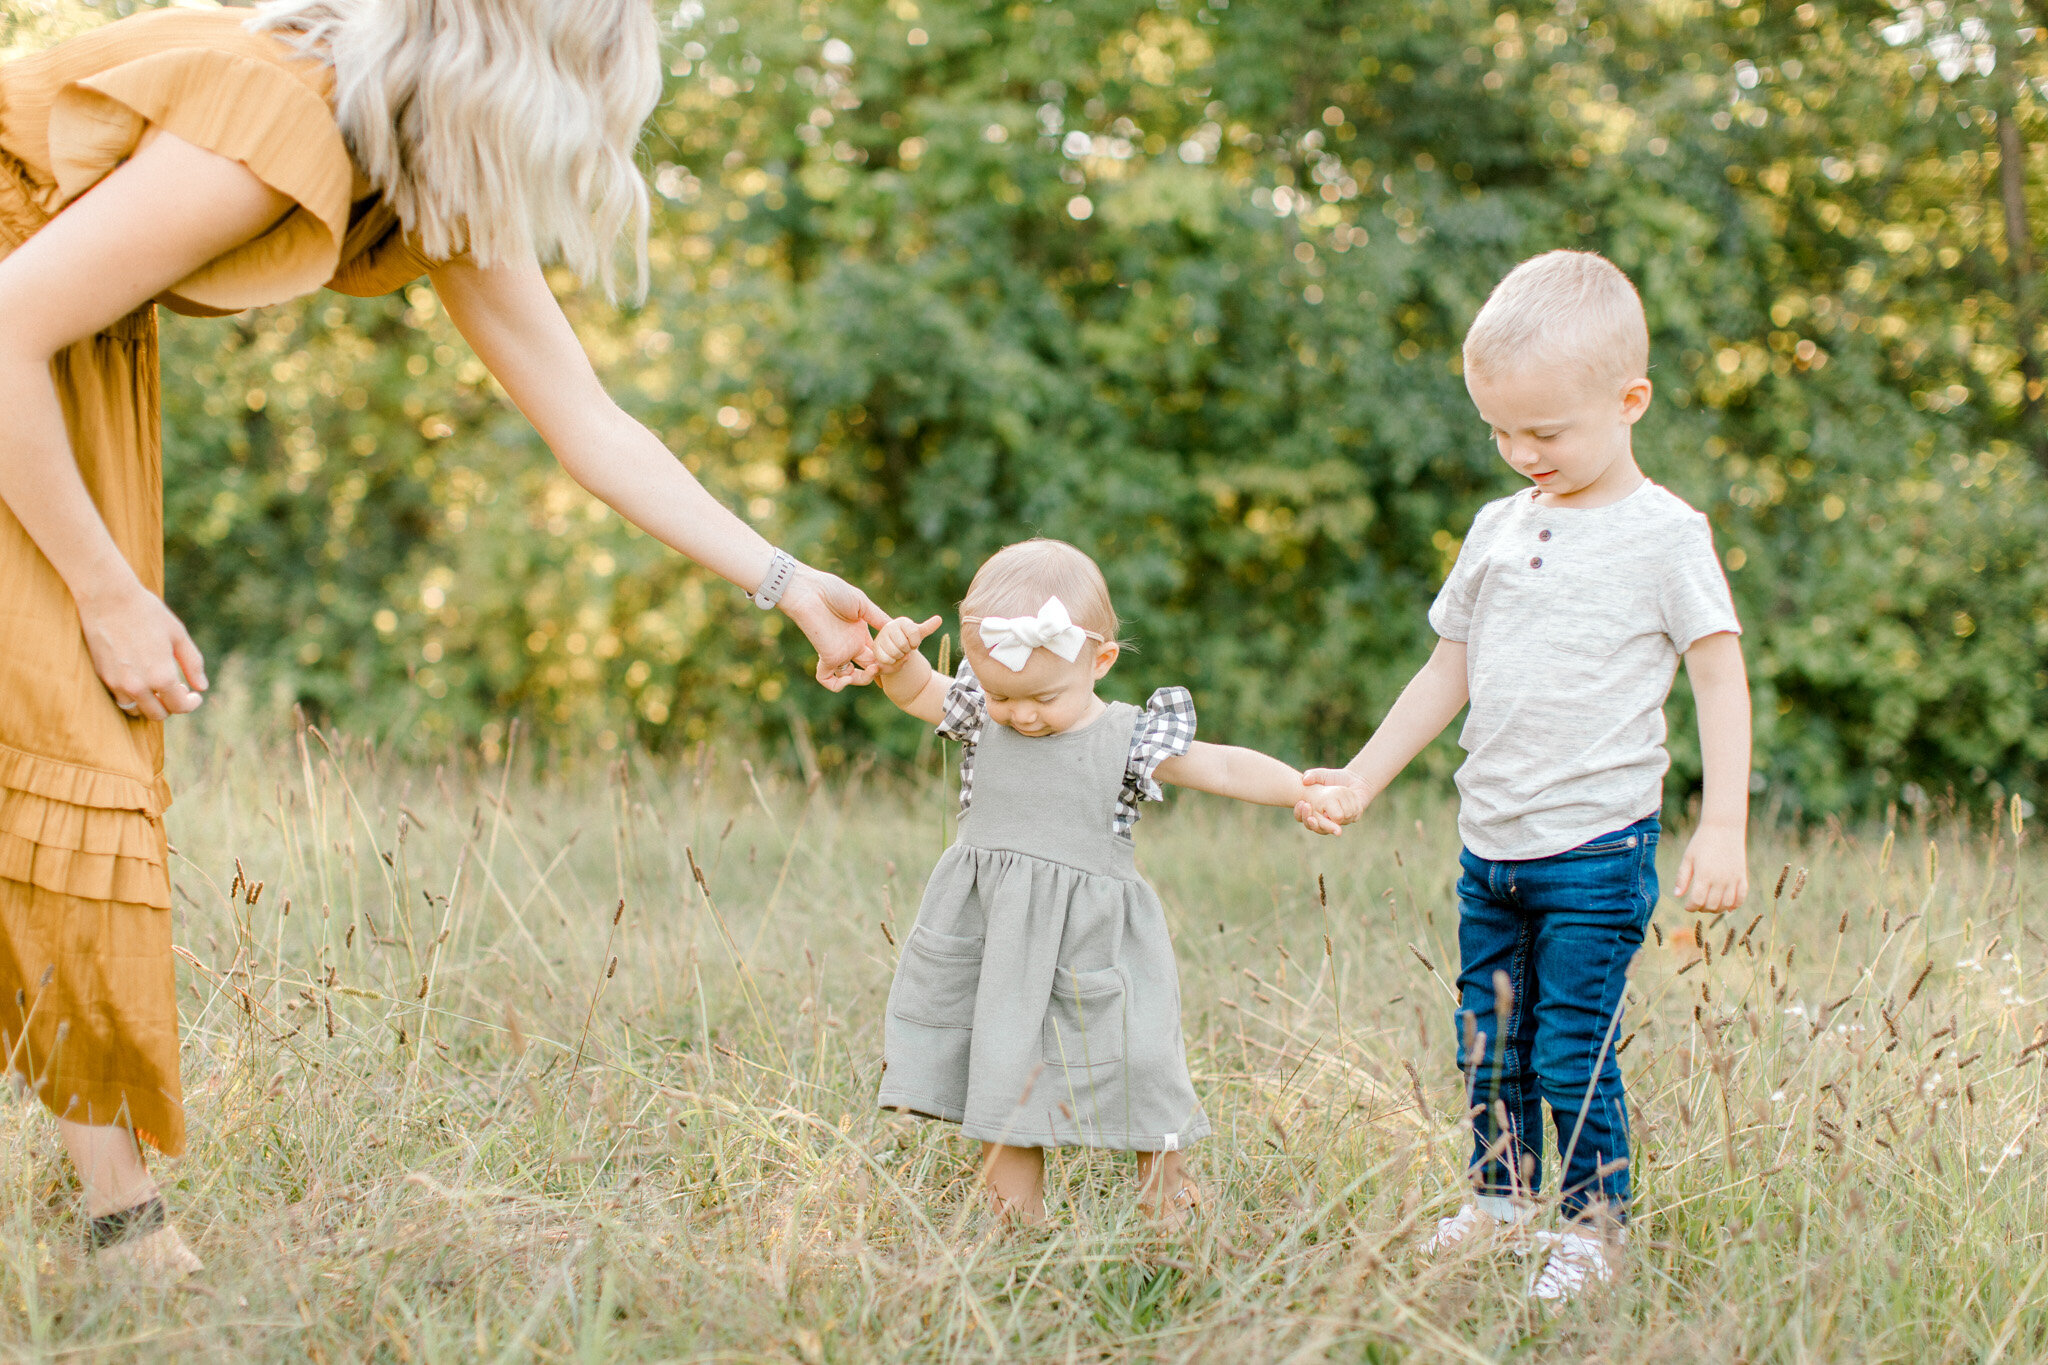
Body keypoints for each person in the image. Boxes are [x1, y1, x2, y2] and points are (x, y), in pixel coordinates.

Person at [0, 0, 887, 1277]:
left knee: (63, 744)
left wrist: (787, 580)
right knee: (75, 723)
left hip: (42, 358)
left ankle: (117, 1220)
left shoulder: (416, 170)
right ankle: (127, 1233)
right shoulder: (277, 114)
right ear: (513, 83)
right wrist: (107, 591)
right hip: (18, 350)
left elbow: (588, 422)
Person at [1295, 251, 1752, 1304]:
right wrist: (1362, 777)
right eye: (1498, 431)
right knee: (1486, 1042)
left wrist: (1720, 824)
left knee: (1567, 1047)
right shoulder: (1498, 529)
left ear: (1628, 400)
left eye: (1544, 432)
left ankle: (1593, 1229)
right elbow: (1445, 666)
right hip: (1488, 843)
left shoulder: (1663, 536)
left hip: (1596, 848)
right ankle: (1498, 1203)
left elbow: (1718, 678)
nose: (1519, 453)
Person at [864, 538, 1350, 1226]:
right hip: (997, 939)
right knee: (1003, 1064)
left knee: (1140, 1056)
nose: (1021, 714)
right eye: (1002, 694)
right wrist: (895, 659)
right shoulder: (982, 716)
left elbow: (1221, 768)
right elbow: (916, 689)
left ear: (1100, 661)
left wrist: (1297, 788)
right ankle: (1013, 1216)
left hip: (1097, 940)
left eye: (1042, 697)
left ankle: (1167, 1191)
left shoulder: (1127, 736)